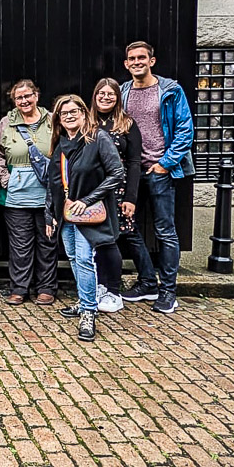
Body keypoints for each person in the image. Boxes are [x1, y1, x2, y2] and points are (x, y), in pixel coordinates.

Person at [119, 41, 194, 314]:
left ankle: (168, 291)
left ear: (152, 60)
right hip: (132, 172)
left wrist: (165, 163)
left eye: (142, 57)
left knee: (165, 231)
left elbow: (185, 130)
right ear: (126, 64)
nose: (137, 62)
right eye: (132, 59)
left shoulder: (170, 90)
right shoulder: (122, 91)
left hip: (161, 171)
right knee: (128, 227)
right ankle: (148, 281)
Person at [44, 95, 124, 342]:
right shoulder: (60, 143)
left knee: (84, 258)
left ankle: (89, 311)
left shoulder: (98, 138)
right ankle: (84, 300)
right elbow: (53, 183)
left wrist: (88, 200)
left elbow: (117, 173)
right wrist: (50, 214)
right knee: (74, 259)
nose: (69, 116)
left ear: (83, 112)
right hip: (65, 212)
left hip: (86, 211)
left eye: (73, 111)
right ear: (58, 118)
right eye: (63, 113)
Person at [0, 78, 58, 305]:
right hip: (16, 195)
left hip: (47, 194)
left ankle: (46, 288)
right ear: (14, 101)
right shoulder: (5, 123)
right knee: (20, 244)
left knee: (47, 242)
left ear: (36, 96)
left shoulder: (52, 119)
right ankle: (20, 288)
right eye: (19, 98)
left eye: (27, 96)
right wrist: (5, 180)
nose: (24, 101)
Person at [88, 78, 142, 314]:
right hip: (91, 190)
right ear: (95, 96)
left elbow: (134, 162)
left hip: (117, 191)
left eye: (111, 94)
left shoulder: (127, 123)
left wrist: (130, 197)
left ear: (118, 97)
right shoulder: (87, 122)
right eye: (102, 94)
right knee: (95, 241)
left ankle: (114, 290)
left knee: (111, 241)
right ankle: (100, 285)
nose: (106, 98)